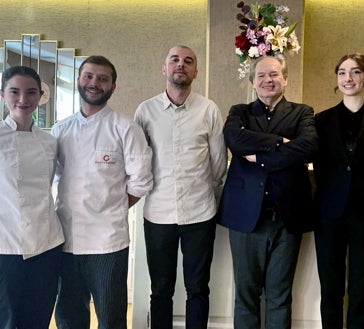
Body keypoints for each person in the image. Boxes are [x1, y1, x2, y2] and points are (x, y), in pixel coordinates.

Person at [216, 55, 318, 329]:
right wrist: (280, 143)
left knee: (280, 296)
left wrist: (259, 156)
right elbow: (234, 140)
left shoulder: (302, 112)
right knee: (246, 296)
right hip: (245, 218)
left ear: (285, 79)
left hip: (287, 218)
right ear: (252, 82)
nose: (267, 80)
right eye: (260, 76)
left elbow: (307, 147)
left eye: (274, 74)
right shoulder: (240, 112)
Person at [52, 55, 153, 329]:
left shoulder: (125, 128)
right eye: (88, 76)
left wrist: (112, 208)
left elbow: (141, 181)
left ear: (113, 86)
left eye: (102, 78)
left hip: (108, 243)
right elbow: (56, 177)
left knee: (111, 317)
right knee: (69, 317)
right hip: (65, 240)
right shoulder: (60, 130)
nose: (94, 83)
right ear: (78, 80)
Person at [134, 45, 227, 329]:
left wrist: (207, 195)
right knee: (161, 288)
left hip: (200, 214)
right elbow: (138, 160)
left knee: (198, 287)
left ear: (195, 72)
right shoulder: (146, 111)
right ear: (164, 68)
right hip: (158, 214)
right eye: (174, 59)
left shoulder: (208, 109)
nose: (180, 65)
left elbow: (218, 164)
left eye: (188, 61)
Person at [313, 53, 364, 329]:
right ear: (337, 79)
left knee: (361, 292)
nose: (348, 78)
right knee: (331, 291)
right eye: (343, 73)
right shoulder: (320, 120)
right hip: (329, 215)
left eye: (356, 72)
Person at [0, 66, 64, 329]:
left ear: (41, 96)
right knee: (7, 320)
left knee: (39, 318)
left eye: (31, 92)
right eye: (15, 92)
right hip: (5, 246)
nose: (23, 100)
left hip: (46, 244)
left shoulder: (49, 141)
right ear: (3, 95)